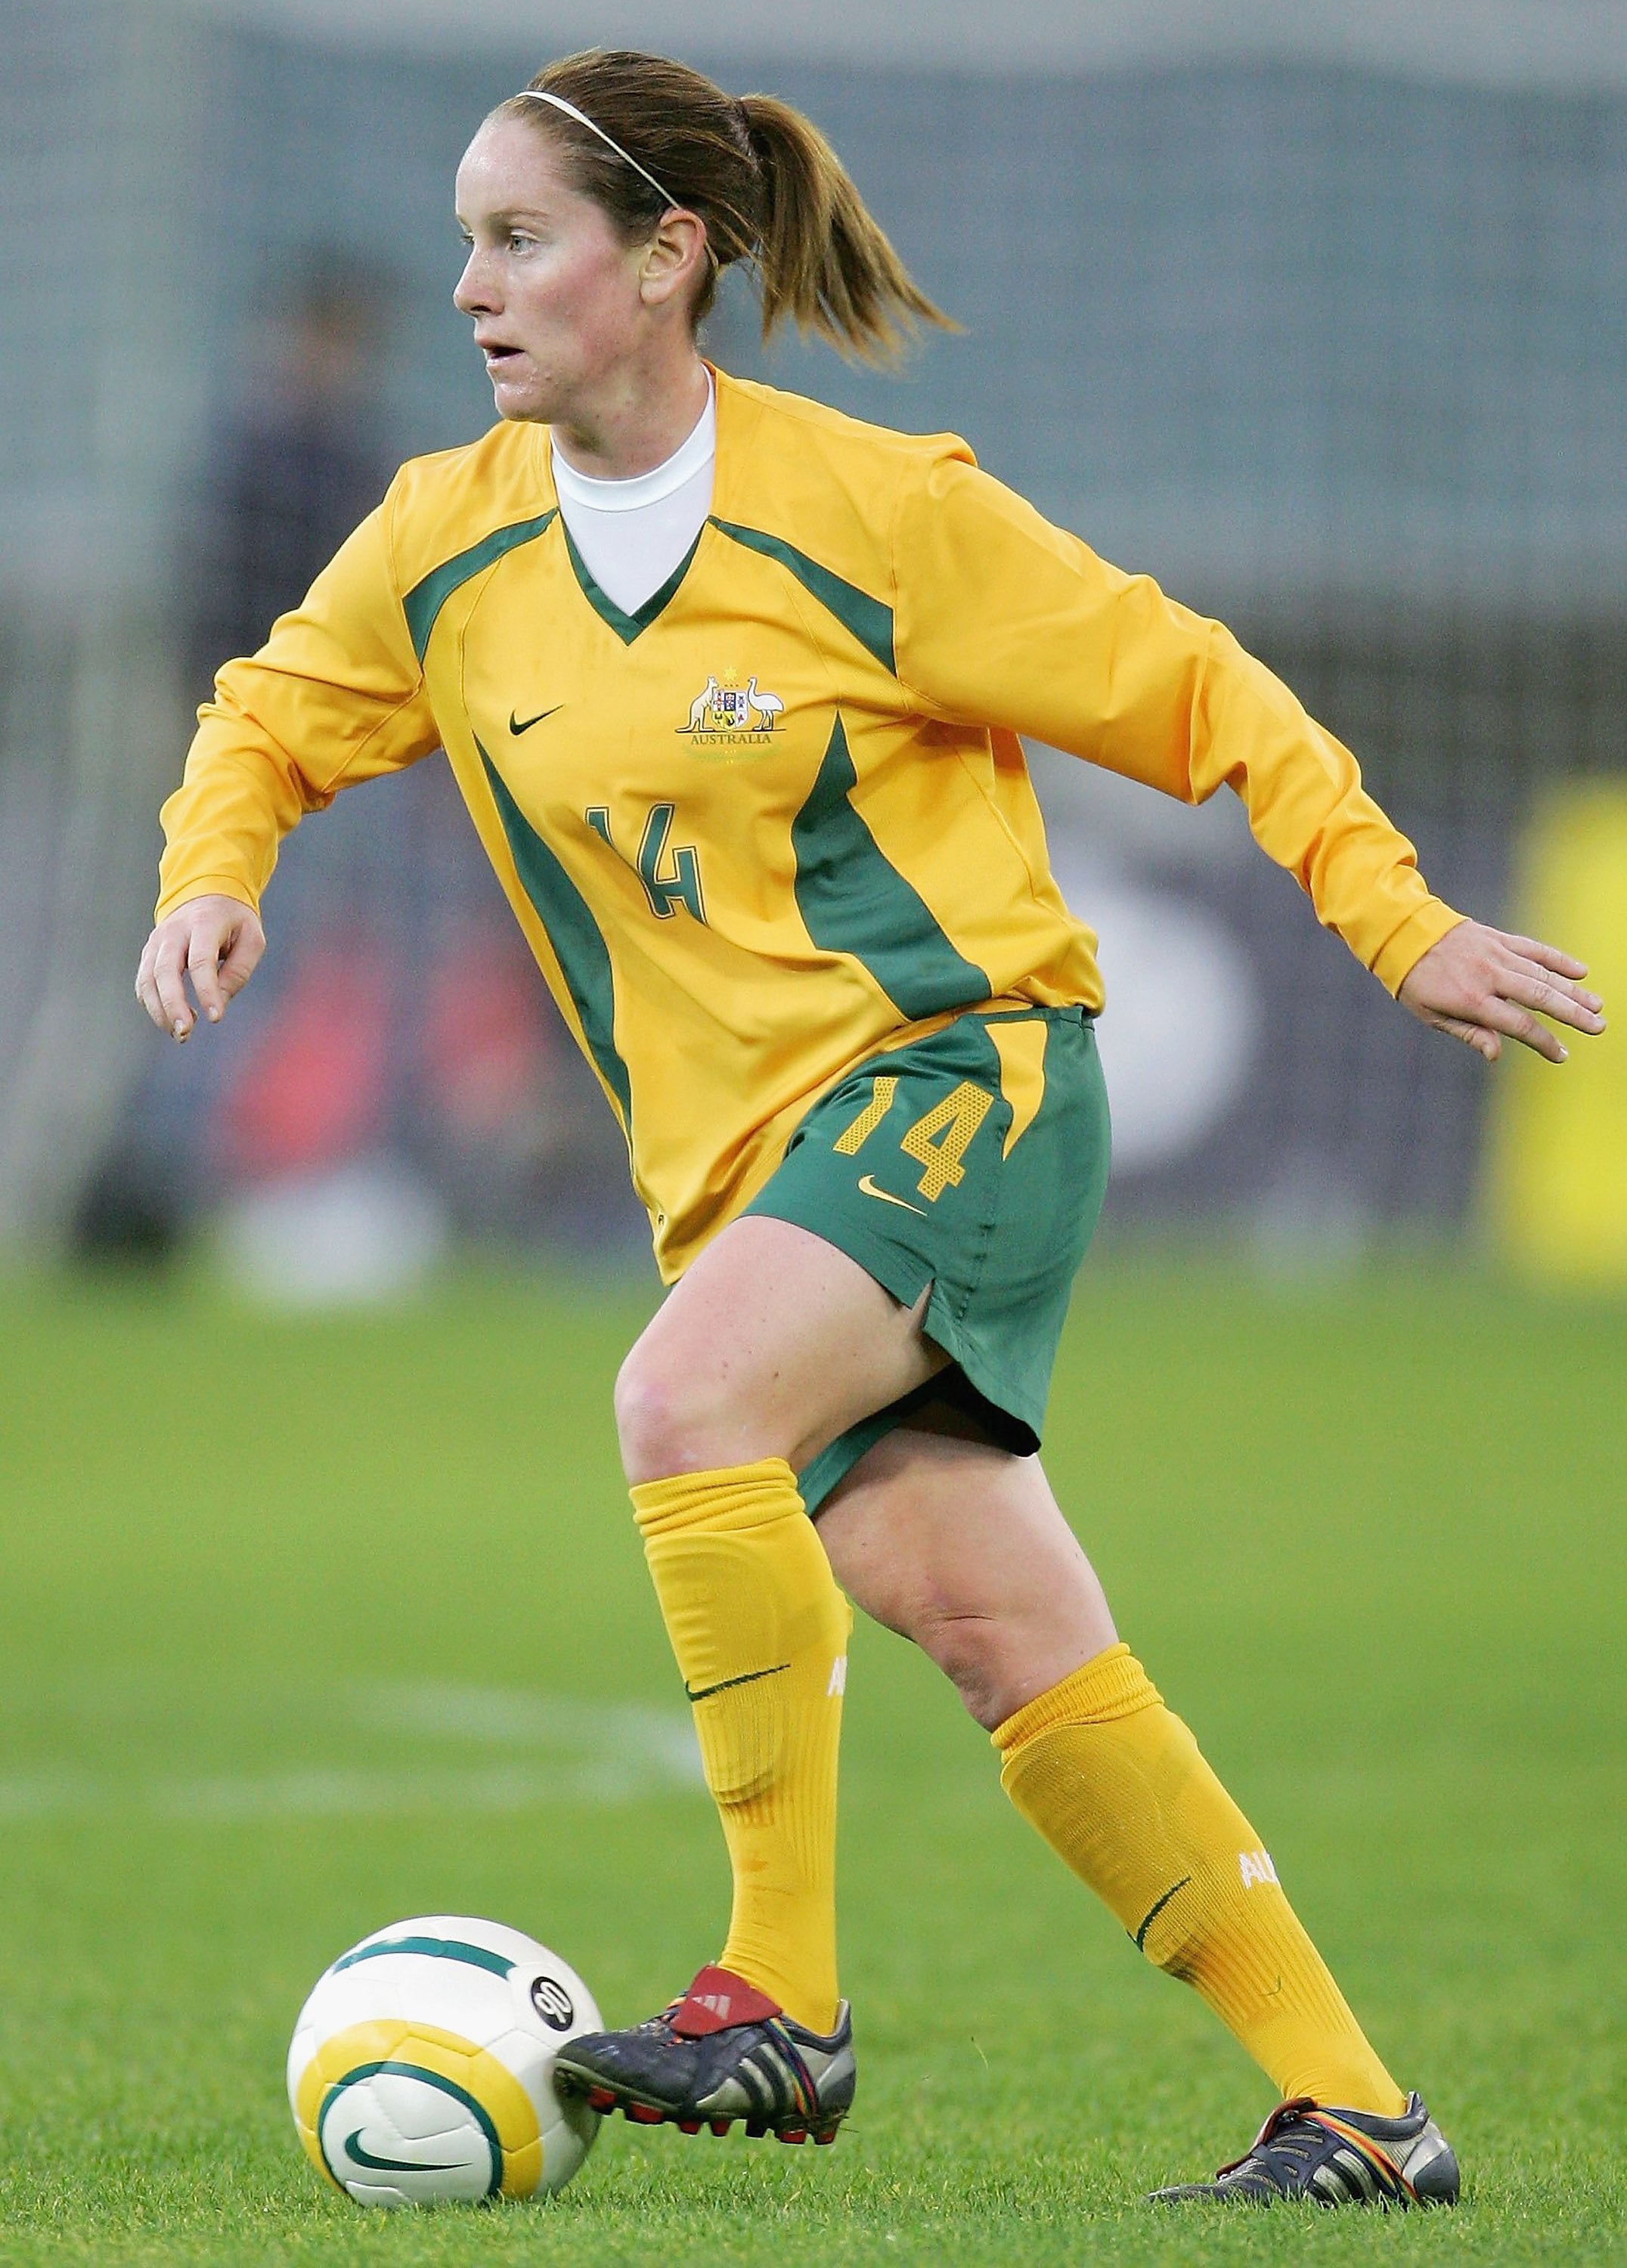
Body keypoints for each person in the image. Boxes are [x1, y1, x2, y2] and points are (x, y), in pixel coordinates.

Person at [135, 50, 1604, 2208]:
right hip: (737, 1173)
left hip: (967, 1075)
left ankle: (783, 2007)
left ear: (667, 260)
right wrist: (210, 865)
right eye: (465, 237)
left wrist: (1392, 922)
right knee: (994, 1625)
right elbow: (267, 711)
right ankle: (1364, 2118)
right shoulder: (444, 542)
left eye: (520, 236)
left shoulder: (875, 510)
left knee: (682, 1404)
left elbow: (1198, 689)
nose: (473, 284)